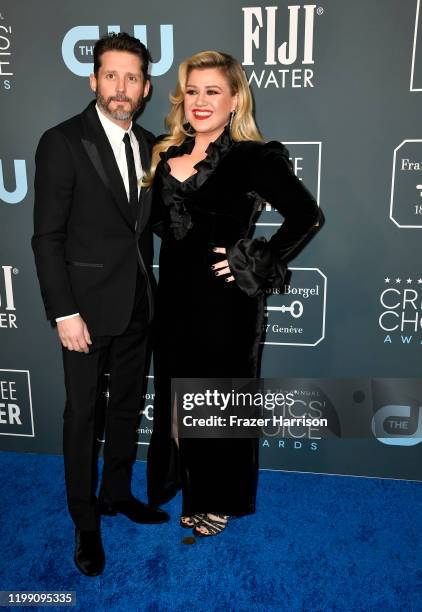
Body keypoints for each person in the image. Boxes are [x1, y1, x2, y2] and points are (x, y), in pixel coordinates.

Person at [146, 50, 322, 537]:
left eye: (213, 91)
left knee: (218, 404)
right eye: (193, 91)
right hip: (175, 299)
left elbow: (306, 215)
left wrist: (255, 259)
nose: (201, 102)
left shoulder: (250, 158)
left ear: (235, 98)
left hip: (226, 304)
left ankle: (218, 499)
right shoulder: (165, 154)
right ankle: (188, 486)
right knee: (180, 402)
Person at [32, 32, 168, 577]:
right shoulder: (62, 141)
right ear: (93, 81)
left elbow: (150, 225)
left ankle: (116, 493)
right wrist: (64, 313)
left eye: (132, 77)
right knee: (83, 417)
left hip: (137, 304)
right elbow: (47, 238)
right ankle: (85, 522)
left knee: (126, 408)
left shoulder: (151, 145)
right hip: (84, 312)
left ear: (146, 87)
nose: (121, 87)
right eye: (111, 75)